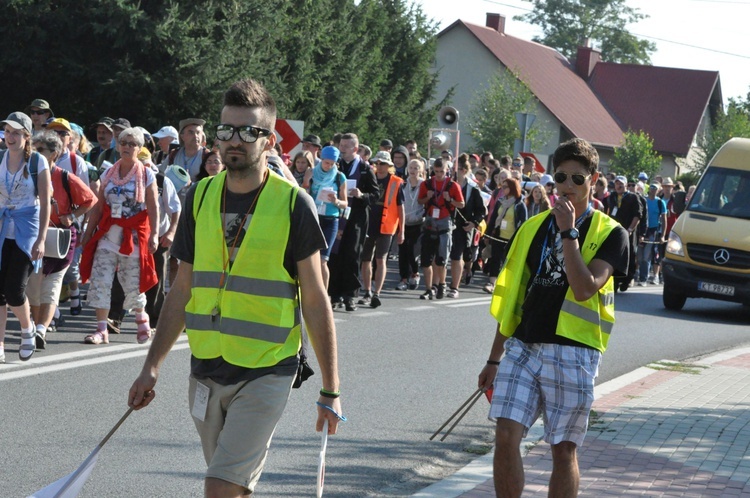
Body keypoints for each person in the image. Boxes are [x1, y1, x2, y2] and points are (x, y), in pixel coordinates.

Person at [128, 78, 342, 497]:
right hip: (206, 367)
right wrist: (151, 366)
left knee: (219, 486)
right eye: (226, 130)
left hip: (267, 369)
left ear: (271, 140)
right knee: (233, 485)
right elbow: (182, 288)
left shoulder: (294, 204)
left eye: (249, 131)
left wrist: (331, 389)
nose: (234, 141)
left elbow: (316, 300)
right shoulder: (199, 196)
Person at [478, 138, 629, 498]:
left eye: (578, 179)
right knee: (505, 434)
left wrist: (568, 233)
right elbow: (515, 299)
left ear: (593, 180)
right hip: (523, 346)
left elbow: (584, 288)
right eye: (561, 177)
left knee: (563, 450)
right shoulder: (531, 228)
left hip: (574, 351)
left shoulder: (612, 233)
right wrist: (493, 357)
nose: (568, 186)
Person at [80, 127, 159, 345]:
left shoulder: (147, 174)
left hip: (133, 236)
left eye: (133, 144)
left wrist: (155, 235)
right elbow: (98, 207)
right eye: (124, 142)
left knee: (132, 280)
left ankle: (142, 319)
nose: (127, 147)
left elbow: (153, 207)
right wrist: (88, 234)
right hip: (108, 234)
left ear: (139, 148)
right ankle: (101, 330)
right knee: (101, 279)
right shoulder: (109, 172)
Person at [28, 131, 96, 349]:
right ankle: (34, 327)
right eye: (33, 149)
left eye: (40, 150)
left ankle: (40, 329)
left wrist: (72, 216)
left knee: (52, 286)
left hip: (60, 238)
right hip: (32, 236)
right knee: (33, 287)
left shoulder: (65, 177)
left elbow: (90, 200)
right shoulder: (27, 175)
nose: (34, 154)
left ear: (54, 154)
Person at [0, 112, 51, 362]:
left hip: (27, 229)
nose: (10, 137)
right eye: (8, 131)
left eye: (16, 133)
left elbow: (45, 203)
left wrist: (41, 239)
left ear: (26, 136)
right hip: (2, 227)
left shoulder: (38, 161)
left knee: (14, 289)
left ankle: (27, 328)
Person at [327, 133, 379, 311]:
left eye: (346, 146)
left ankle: (350, 296)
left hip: (356, 217)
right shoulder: (335, 166)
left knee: (352, 255)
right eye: (341, 145)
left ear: (355, 149)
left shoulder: (365, 169)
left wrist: (361, 195)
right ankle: (334, 294)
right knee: (334, 255)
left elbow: (375, 195)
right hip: (336, 214)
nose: (342, 149)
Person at [358, 151, 404, 308]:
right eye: (378, 163)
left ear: (389, 165)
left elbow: (400, 208)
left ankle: (377, 293)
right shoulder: (370, 177)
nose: (380, 166)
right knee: (365, 259)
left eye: (383, 163)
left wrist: (401, 230)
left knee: (380, 259)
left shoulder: (396, 182)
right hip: (369, 222)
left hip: (387, 225)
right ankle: (367, 291)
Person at [418, 157, 464, 300]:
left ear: (447, 170)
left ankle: (442, 284)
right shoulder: (427, 184)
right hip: (430, 222)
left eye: (441, 171)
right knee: (426, 259)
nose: (438, 174)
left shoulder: (452, 185)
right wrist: (428, 197)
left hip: (445, 223)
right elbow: (420, 201)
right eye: (436, 171)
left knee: (441, 259)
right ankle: (429, 288)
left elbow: (461, 204)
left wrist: (450, 199)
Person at [309, 145, 347, 290]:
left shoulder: (339, 177)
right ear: (322, 159)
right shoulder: (311, 173)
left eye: (332, 163)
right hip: (314, 217)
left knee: (323, 259)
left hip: (331, 220)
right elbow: (304, 192)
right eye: (326, 162)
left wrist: (336, 201)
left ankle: (324, 293)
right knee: (310, 257)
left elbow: (345, 203)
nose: (329, 166)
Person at [448, 155, 486, 298]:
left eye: (455, 169)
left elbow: (481, 210)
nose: (452, 171)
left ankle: (468, 270)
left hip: (465, 225)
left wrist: (473, 223)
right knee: (454, 255)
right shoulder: (449, 184)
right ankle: (452, 286)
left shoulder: (472, 187)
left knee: (466, 254)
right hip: (450, 224)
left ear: (463, 170)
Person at [483, 178, 527, 294]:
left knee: (508, 262)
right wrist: (487, 234)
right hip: (498, 236)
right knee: (495, 260)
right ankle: (492, 284)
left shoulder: (520, 204)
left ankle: (506, 285)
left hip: (511, 239)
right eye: (502, 187)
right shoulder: (500, 201)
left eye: (505, 187)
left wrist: (520, 239)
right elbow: (493, 220)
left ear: (512, 188)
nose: (502, 189)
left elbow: (524, 224)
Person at [396, 159, 425, 291]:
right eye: (411, 167)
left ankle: (415, 272)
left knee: (413, 250)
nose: (413, 170)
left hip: (418, 223)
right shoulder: (402, 184)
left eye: (416, 168)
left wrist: (422, 215)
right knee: (402, 251)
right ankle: (403, 279)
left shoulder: (424, 185)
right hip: (404, 221)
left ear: (421, 170)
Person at [637, 183, 667, 286]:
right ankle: (638, 276)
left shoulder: (660, 202)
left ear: (658, 190)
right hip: (642, 230)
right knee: (639, 256)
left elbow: (664, 219)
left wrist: (662, 235)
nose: (653, 189)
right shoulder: (643, 200)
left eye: (655, 188)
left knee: (647, 256)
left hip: (653, 231)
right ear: (649, 189)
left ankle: (643, 279)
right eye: (652, 187)